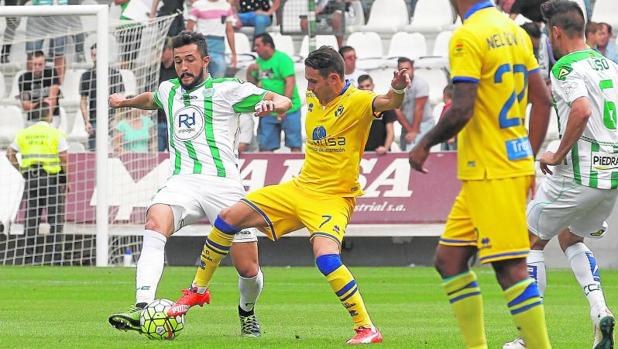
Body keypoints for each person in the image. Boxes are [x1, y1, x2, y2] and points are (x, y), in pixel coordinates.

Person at [166, 46, 410, 344]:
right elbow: (284, 103)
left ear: (334, 79)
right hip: (299, 188)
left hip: (333, 197)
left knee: (326, 258)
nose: (308, 87)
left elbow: (388, 101)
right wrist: (270, 106)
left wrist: (397, 88)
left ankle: (367, 328)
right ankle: (198, 290)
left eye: (313, 81)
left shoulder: (358, 100)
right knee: (228, 218)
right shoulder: (312, 97)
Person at [107, 31, 291, 337]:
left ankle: (247, 312)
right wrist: (124, 102)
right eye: (178, 61)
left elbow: (281, 99)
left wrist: (274, 105)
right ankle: (142, 307)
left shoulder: (228, 89)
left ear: (205, 61)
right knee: (154, 223)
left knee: (247, 268)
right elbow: (151, 100)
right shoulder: (169, 90)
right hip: (182, 182)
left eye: (190, 60)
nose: (183, 67)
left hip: (224, 185)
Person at [408, 0, 553, 348]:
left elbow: (461, 108)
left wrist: (424, 142)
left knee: (510, 268)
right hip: (493, 168)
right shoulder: (514, 32)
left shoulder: (467, 36)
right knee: (450, 260)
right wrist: (525, 155)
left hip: (493, 170)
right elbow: (542, 100)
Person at [504, 2, 618, 348]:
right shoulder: (610, 66)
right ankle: (600, 311)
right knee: (571, 238)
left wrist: (557, 152)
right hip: (611, 175)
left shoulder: (565, 68)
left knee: (529, 241)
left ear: (554, 32)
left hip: (578, 174)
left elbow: (581, 111)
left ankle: (528, 339)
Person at [5, 102, 69, 265]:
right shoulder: (55, 133)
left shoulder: (24, 134)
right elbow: (64, 157)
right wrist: (67, 179)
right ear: (48, 115)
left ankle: (29, 257)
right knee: (55, 219)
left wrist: (20, 170)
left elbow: (10, 153)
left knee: (31, 218)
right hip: (51, 179)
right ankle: (56, 258)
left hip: (31, 178)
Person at [247, 33, 302, 152]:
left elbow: (290, 82)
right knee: (265, 147)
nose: (255, 49)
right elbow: (252, 86)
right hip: (268, 110)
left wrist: (283, 106)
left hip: (290, 110)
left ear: (268, 45)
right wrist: (249, 72)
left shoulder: (283, 59)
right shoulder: (258, 62)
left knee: (295, 146)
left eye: (258, 45)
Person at [80, 43, 125, 151]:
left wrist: (117, 119)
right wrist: (86, 122)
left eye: (97, 54)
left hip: (112, 119)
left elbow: (121, 99)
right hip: (95, 119)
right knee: (94, 154)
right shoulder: (86, 76)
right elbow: (83, 101)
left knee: (115, 153)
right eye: (93, 55)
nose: (95, 57)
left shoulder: (115, 74)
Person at [187, 0, 237, 78]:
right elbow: (189, 29)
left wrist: (234, 53)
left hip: (219, 50)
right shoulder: (197, 5)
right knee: (199, 81)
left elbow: (229, 31)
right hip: (201, 50)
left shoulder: (226, 6)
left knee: (218, 82)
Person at [395, 57, 432, 151]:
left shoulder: (421, 84)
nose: (405, 72)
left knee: (421, 155)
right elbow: (397, 110)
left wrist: (414, 131)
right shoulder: (396, 85)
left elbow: (419, 108)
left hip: (423, 124)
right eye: (401, 69)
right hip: (407, 126)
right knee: (405, 157)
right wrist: (410, 130)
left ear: (413, 69)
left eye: (407, 69)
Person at [18, 51, 61, 128]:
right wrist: (42, 102)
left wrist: (48, 118)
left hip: (52, 116)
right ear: (31, 64)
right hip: (33, 118)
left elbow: (52, 99)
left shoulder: (51, 73)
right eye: (35, 64)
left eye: (40, 64)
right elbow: (25, 106)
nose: (37, 67)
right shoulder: (23, 78)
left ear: (45, 64)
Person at [358, 74, 396, 154]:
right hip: (360, 154)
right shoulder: (355, 107)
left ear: (373, 86)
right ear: (358, 88)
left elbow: (391, 132)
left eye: (367, 86)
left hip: (380, 153)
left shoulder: (384, 104)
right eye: (362, 87)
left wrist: (385, 148)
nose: (365, 89)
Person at [157, 38, 176, 151]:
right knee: (157, 154)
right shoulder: (155, 71)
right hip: (158, 121)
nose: (160, 54)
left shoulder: (178, 71)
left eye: (162, 50)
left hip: (174, 122)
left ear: (170, 50)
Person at [438, 83, 456, 151]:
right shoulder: (447, 107)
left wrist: (452, 136)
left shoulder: (451, 108)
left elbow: (454, 123)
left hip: (449, 137)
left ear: (445, 96)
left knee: (449, 155)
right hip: (445, 136)